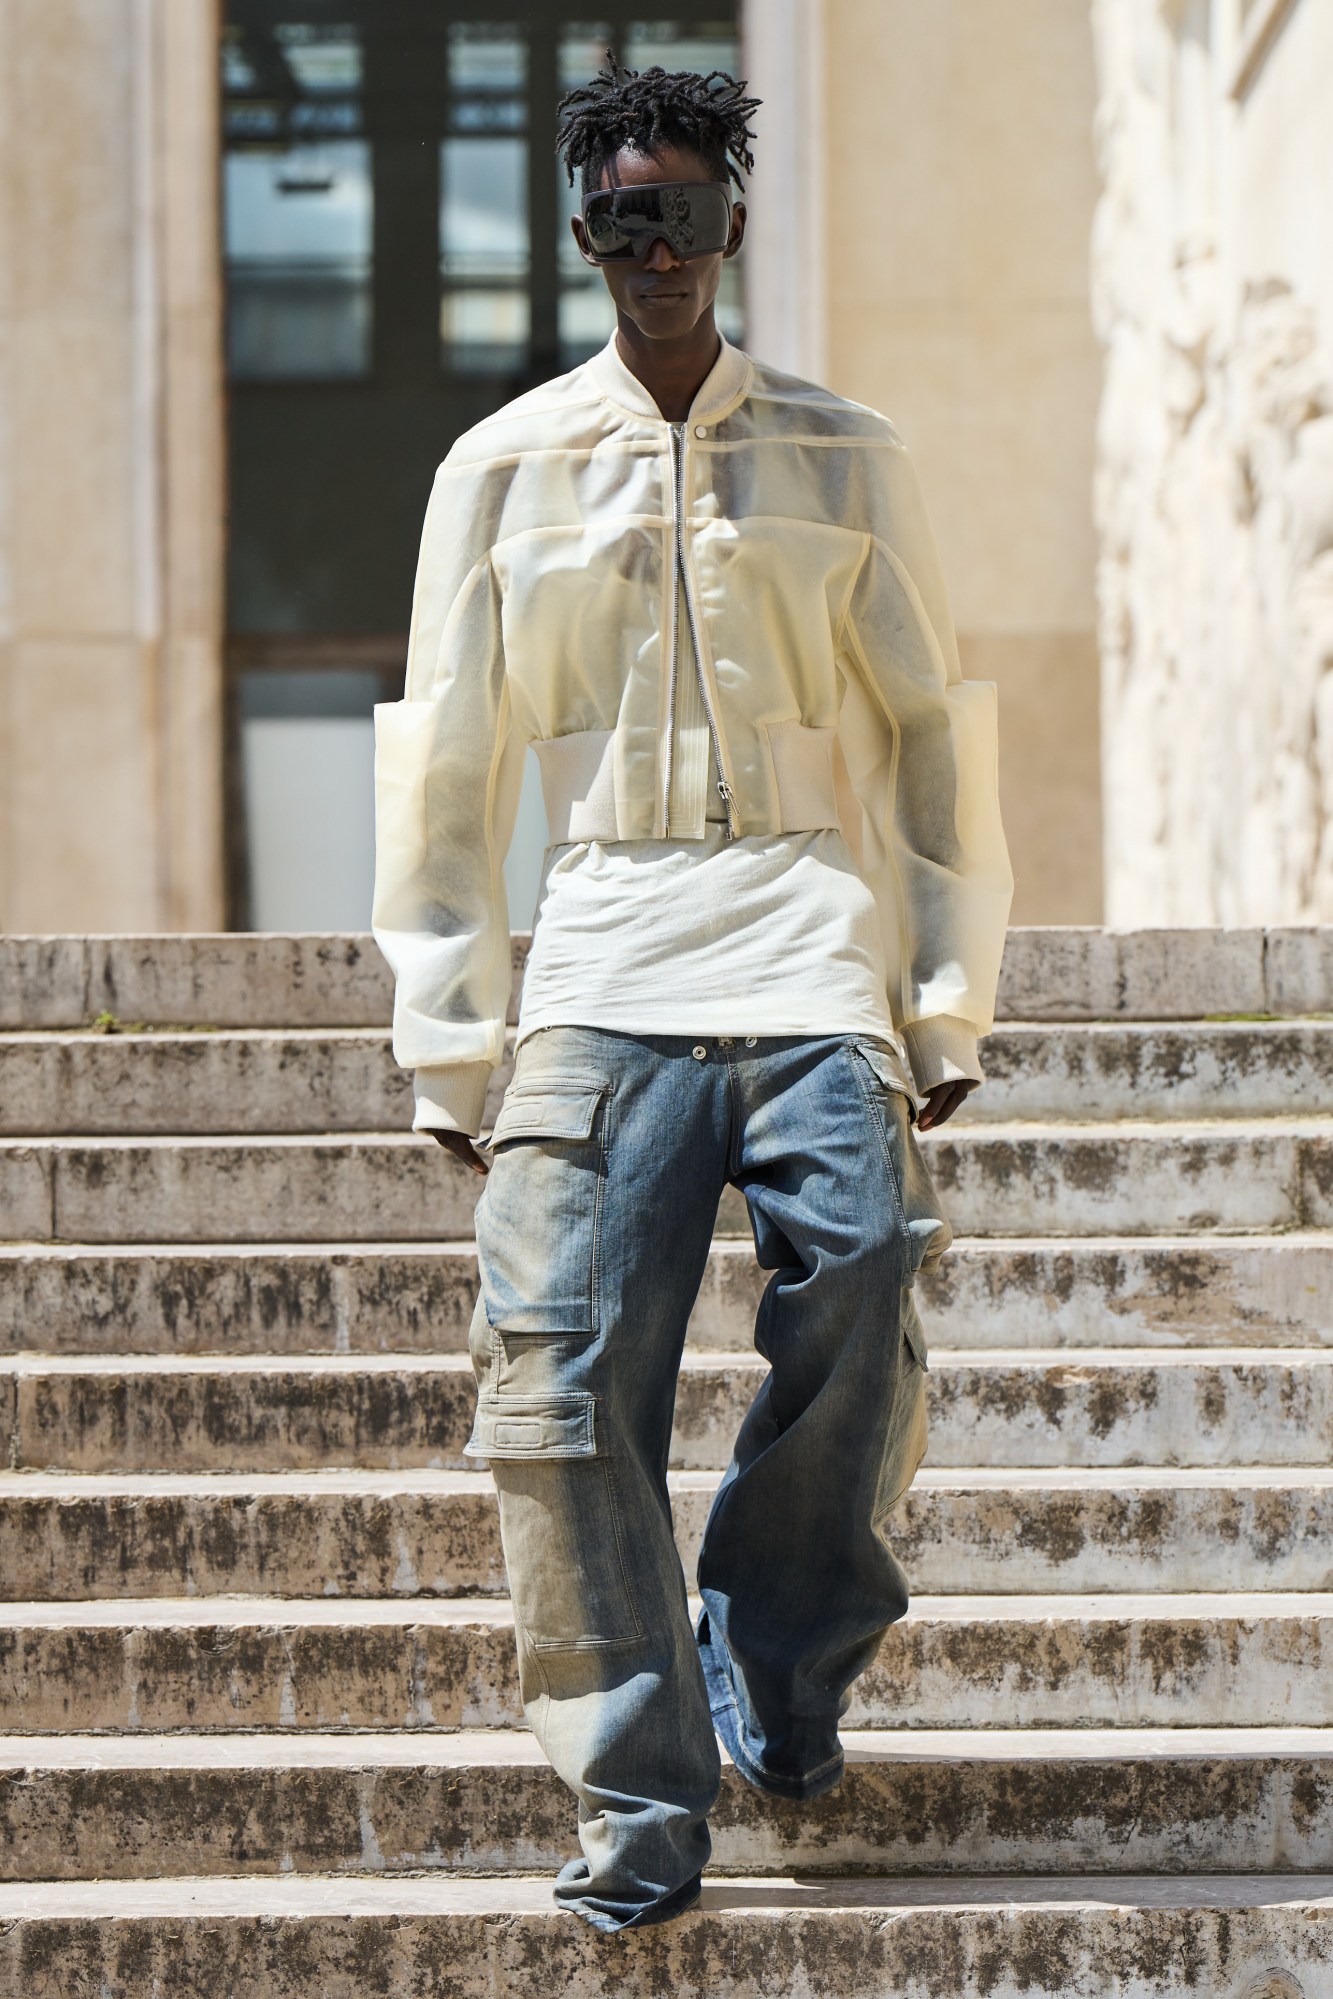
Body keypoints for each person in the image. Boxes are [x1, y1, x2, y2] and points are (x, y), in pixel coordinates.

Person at [372, 54, 1014, 1935]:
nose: (649, 248)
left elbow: (926, 740)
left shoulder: (843, 449)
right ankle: (638, 1804)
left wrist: (946, 993)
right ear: (585, 240)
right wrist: (447, 1030)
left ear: (734, 221)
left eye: (680, 210)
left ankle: (785, 1656)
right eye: (614, 218)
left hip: (807, 939)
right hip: (598, 959)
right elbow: (447, 761)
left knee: (873, 1267)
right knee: (564, 1395)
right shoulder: (498, 469)